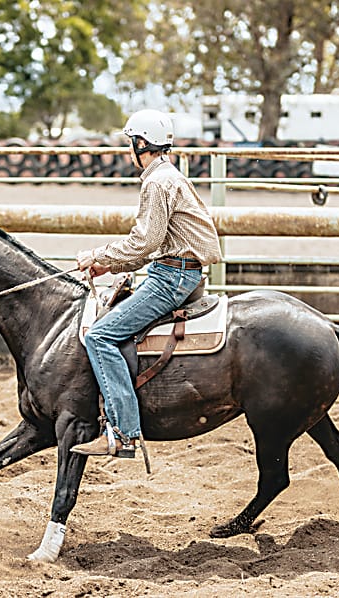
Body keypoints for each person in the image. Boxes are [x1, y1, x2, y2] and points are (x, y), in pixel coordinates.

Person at [70, 109, 223, 459]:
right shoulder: (169, 176)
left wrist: (97, 254)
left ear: (141, 143)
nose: (129, 150)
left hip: (171, 277)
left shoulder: (156, 182)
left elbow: (145, 242)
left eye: (131, 143)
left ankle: (124, 432)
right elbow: (155, 243)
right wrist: (107, 265)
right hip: (178, 270)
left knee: (100, 336)